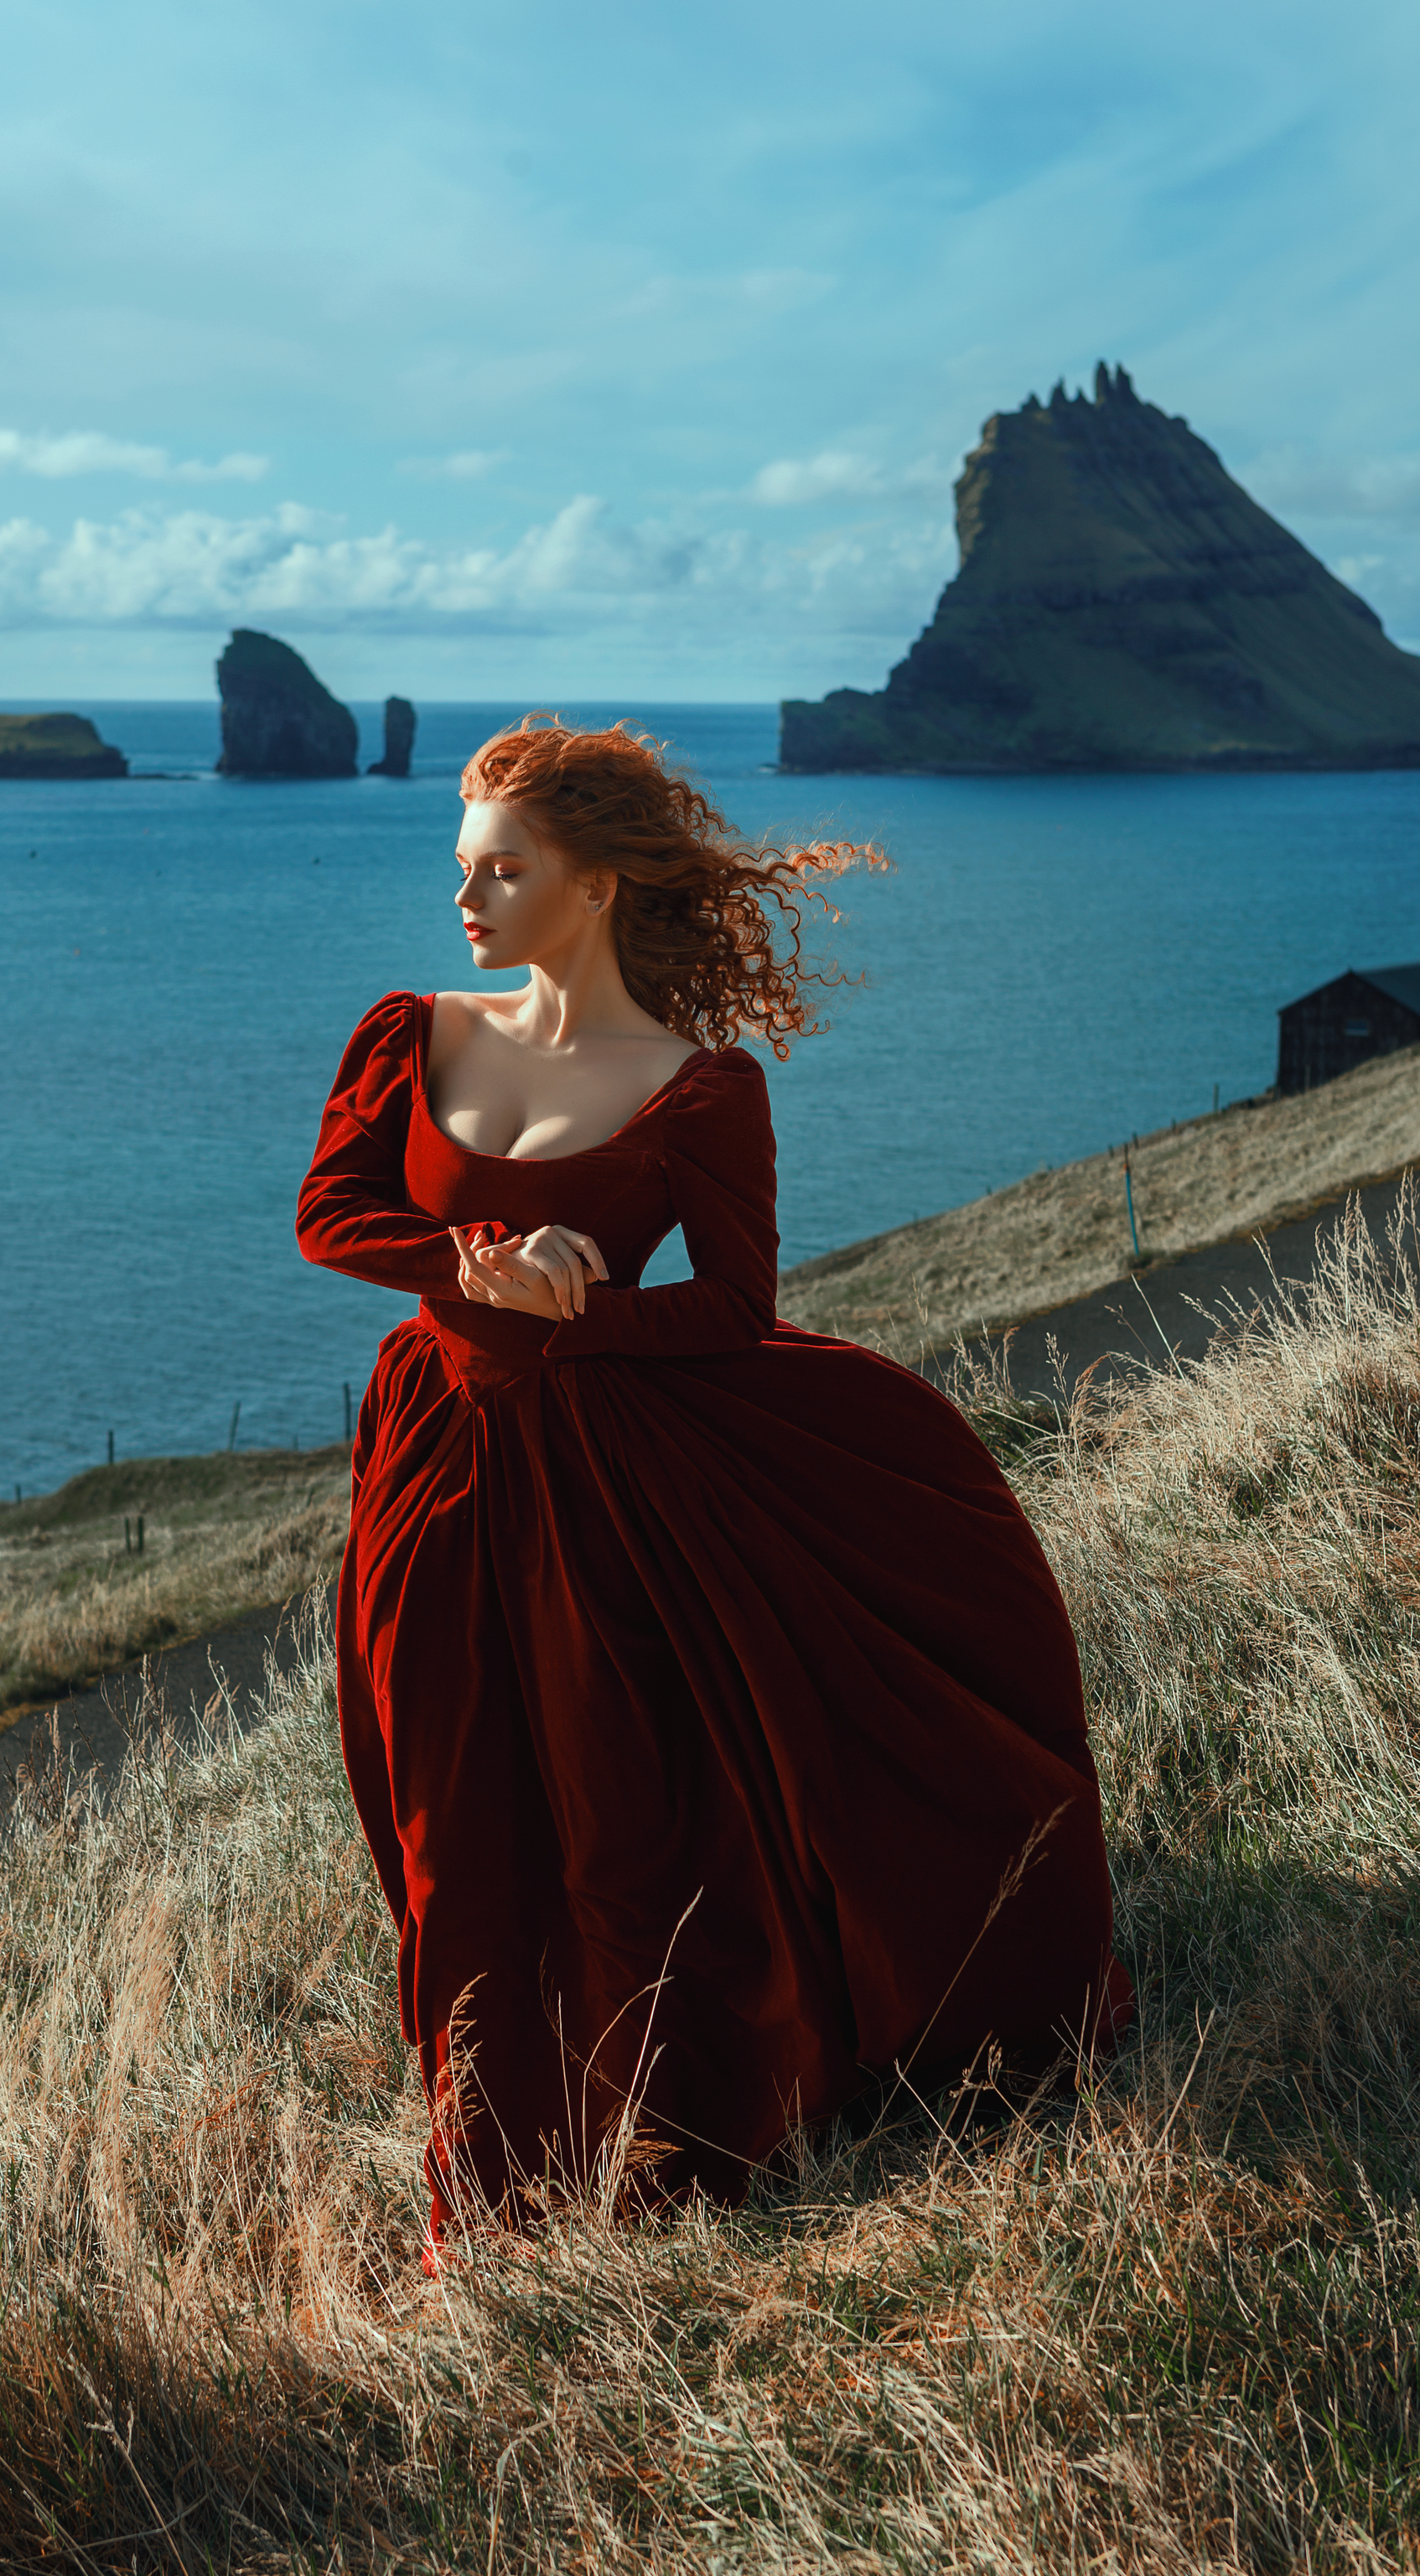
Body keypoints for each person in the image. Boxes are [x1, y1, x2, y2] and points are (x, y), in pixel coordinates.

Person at [296, 718, 1129, 2246]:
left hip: (606, 1476)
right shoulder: (412, 1031)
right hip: (434, 1457)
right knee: (445, 1801)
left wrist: (583, 1310)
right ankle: (486, 2145)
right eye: (462, 869)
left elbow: (735, 1308)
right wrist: (476, 1263)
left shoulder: (701, 1091)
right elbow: (331, 1217)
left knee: (619, 1814)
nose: (466, 901)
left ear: (597, 885)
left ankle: (651, 2140)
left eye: (503, 869)